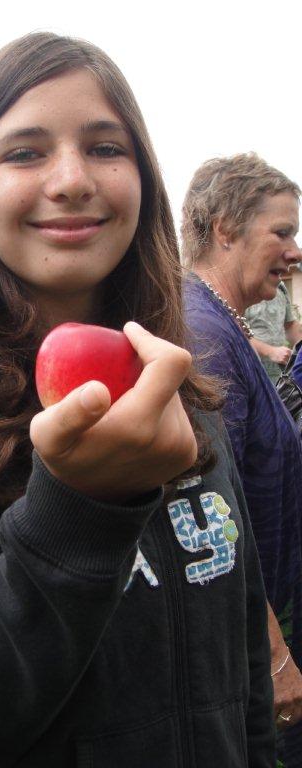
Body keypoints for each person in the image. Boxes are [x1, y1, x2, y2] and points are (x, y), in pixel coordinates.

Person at [0, 35, 275, 767]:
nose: (73, 179)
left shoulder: (178, 388)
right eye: (24, 152)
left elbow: (240, 652)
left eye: (107, 147)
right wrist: (80, 504)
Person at [182, 152, 302, 767]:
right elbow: (209, 520)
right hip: (233, 638)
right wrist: (275, 655)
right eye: (282, 231)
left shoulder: (221, 320)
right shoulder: (202, 334)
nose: (295, 250)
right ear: (226, 228)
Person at [246, 280, 302, 383]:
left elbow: (290, 326)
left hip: (279, 375)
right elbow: (235, 332)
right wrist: (270, 351)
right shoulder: (243, 284)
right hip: (250, 373)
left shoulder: (280, 286)